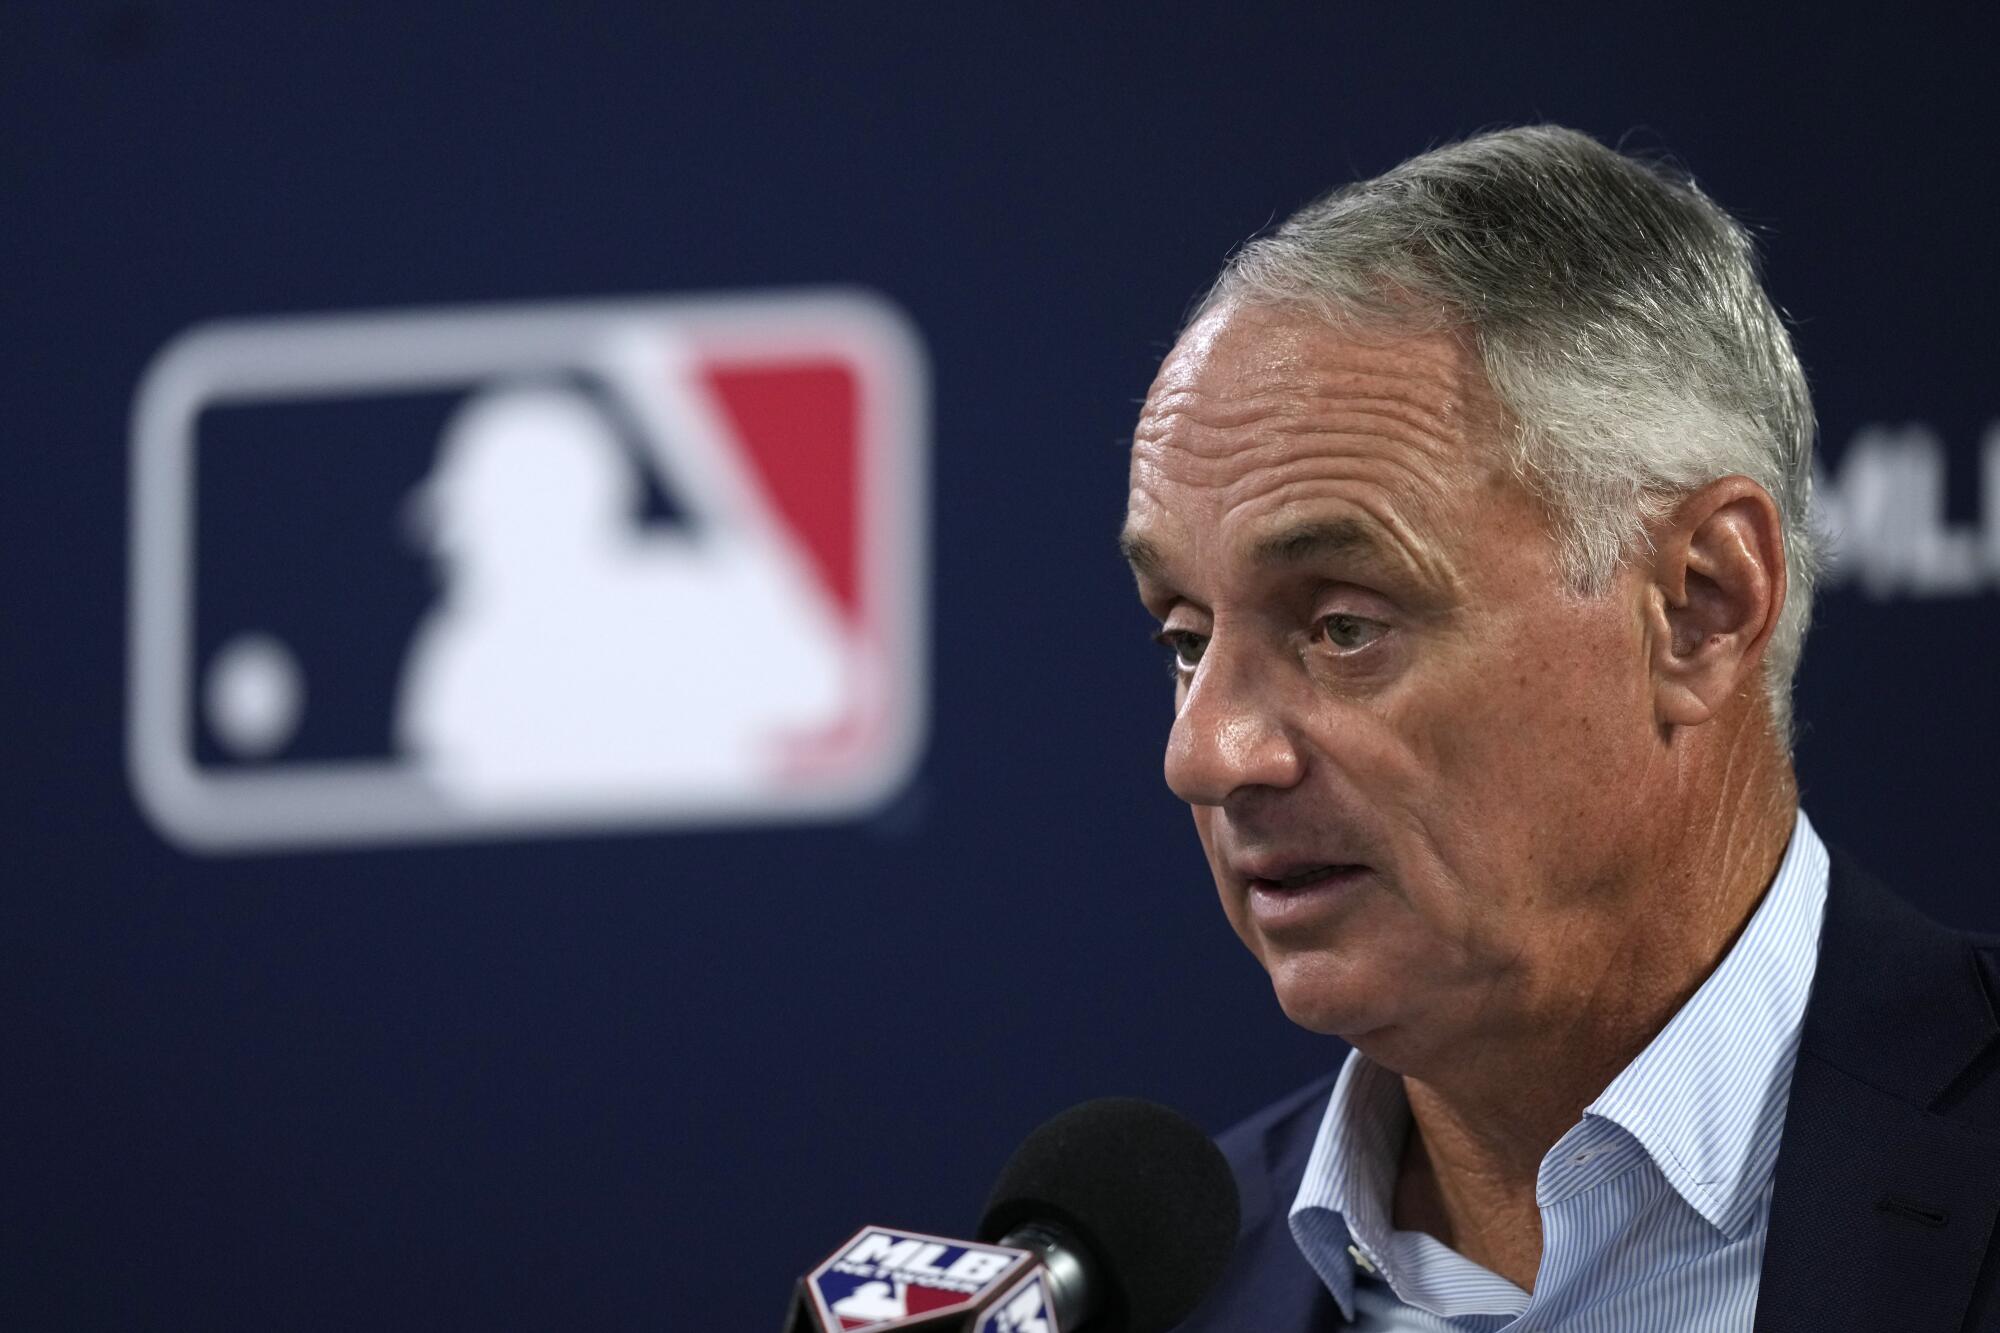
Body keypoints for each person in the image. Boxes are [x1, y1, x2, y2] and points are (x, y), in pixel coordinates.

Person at [1121, 126, 2000, 1331]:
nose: (1206, 753)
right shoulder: (1157, 1290)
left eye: (1339, 625)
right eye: (1183, 637)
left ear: (1699, 606)